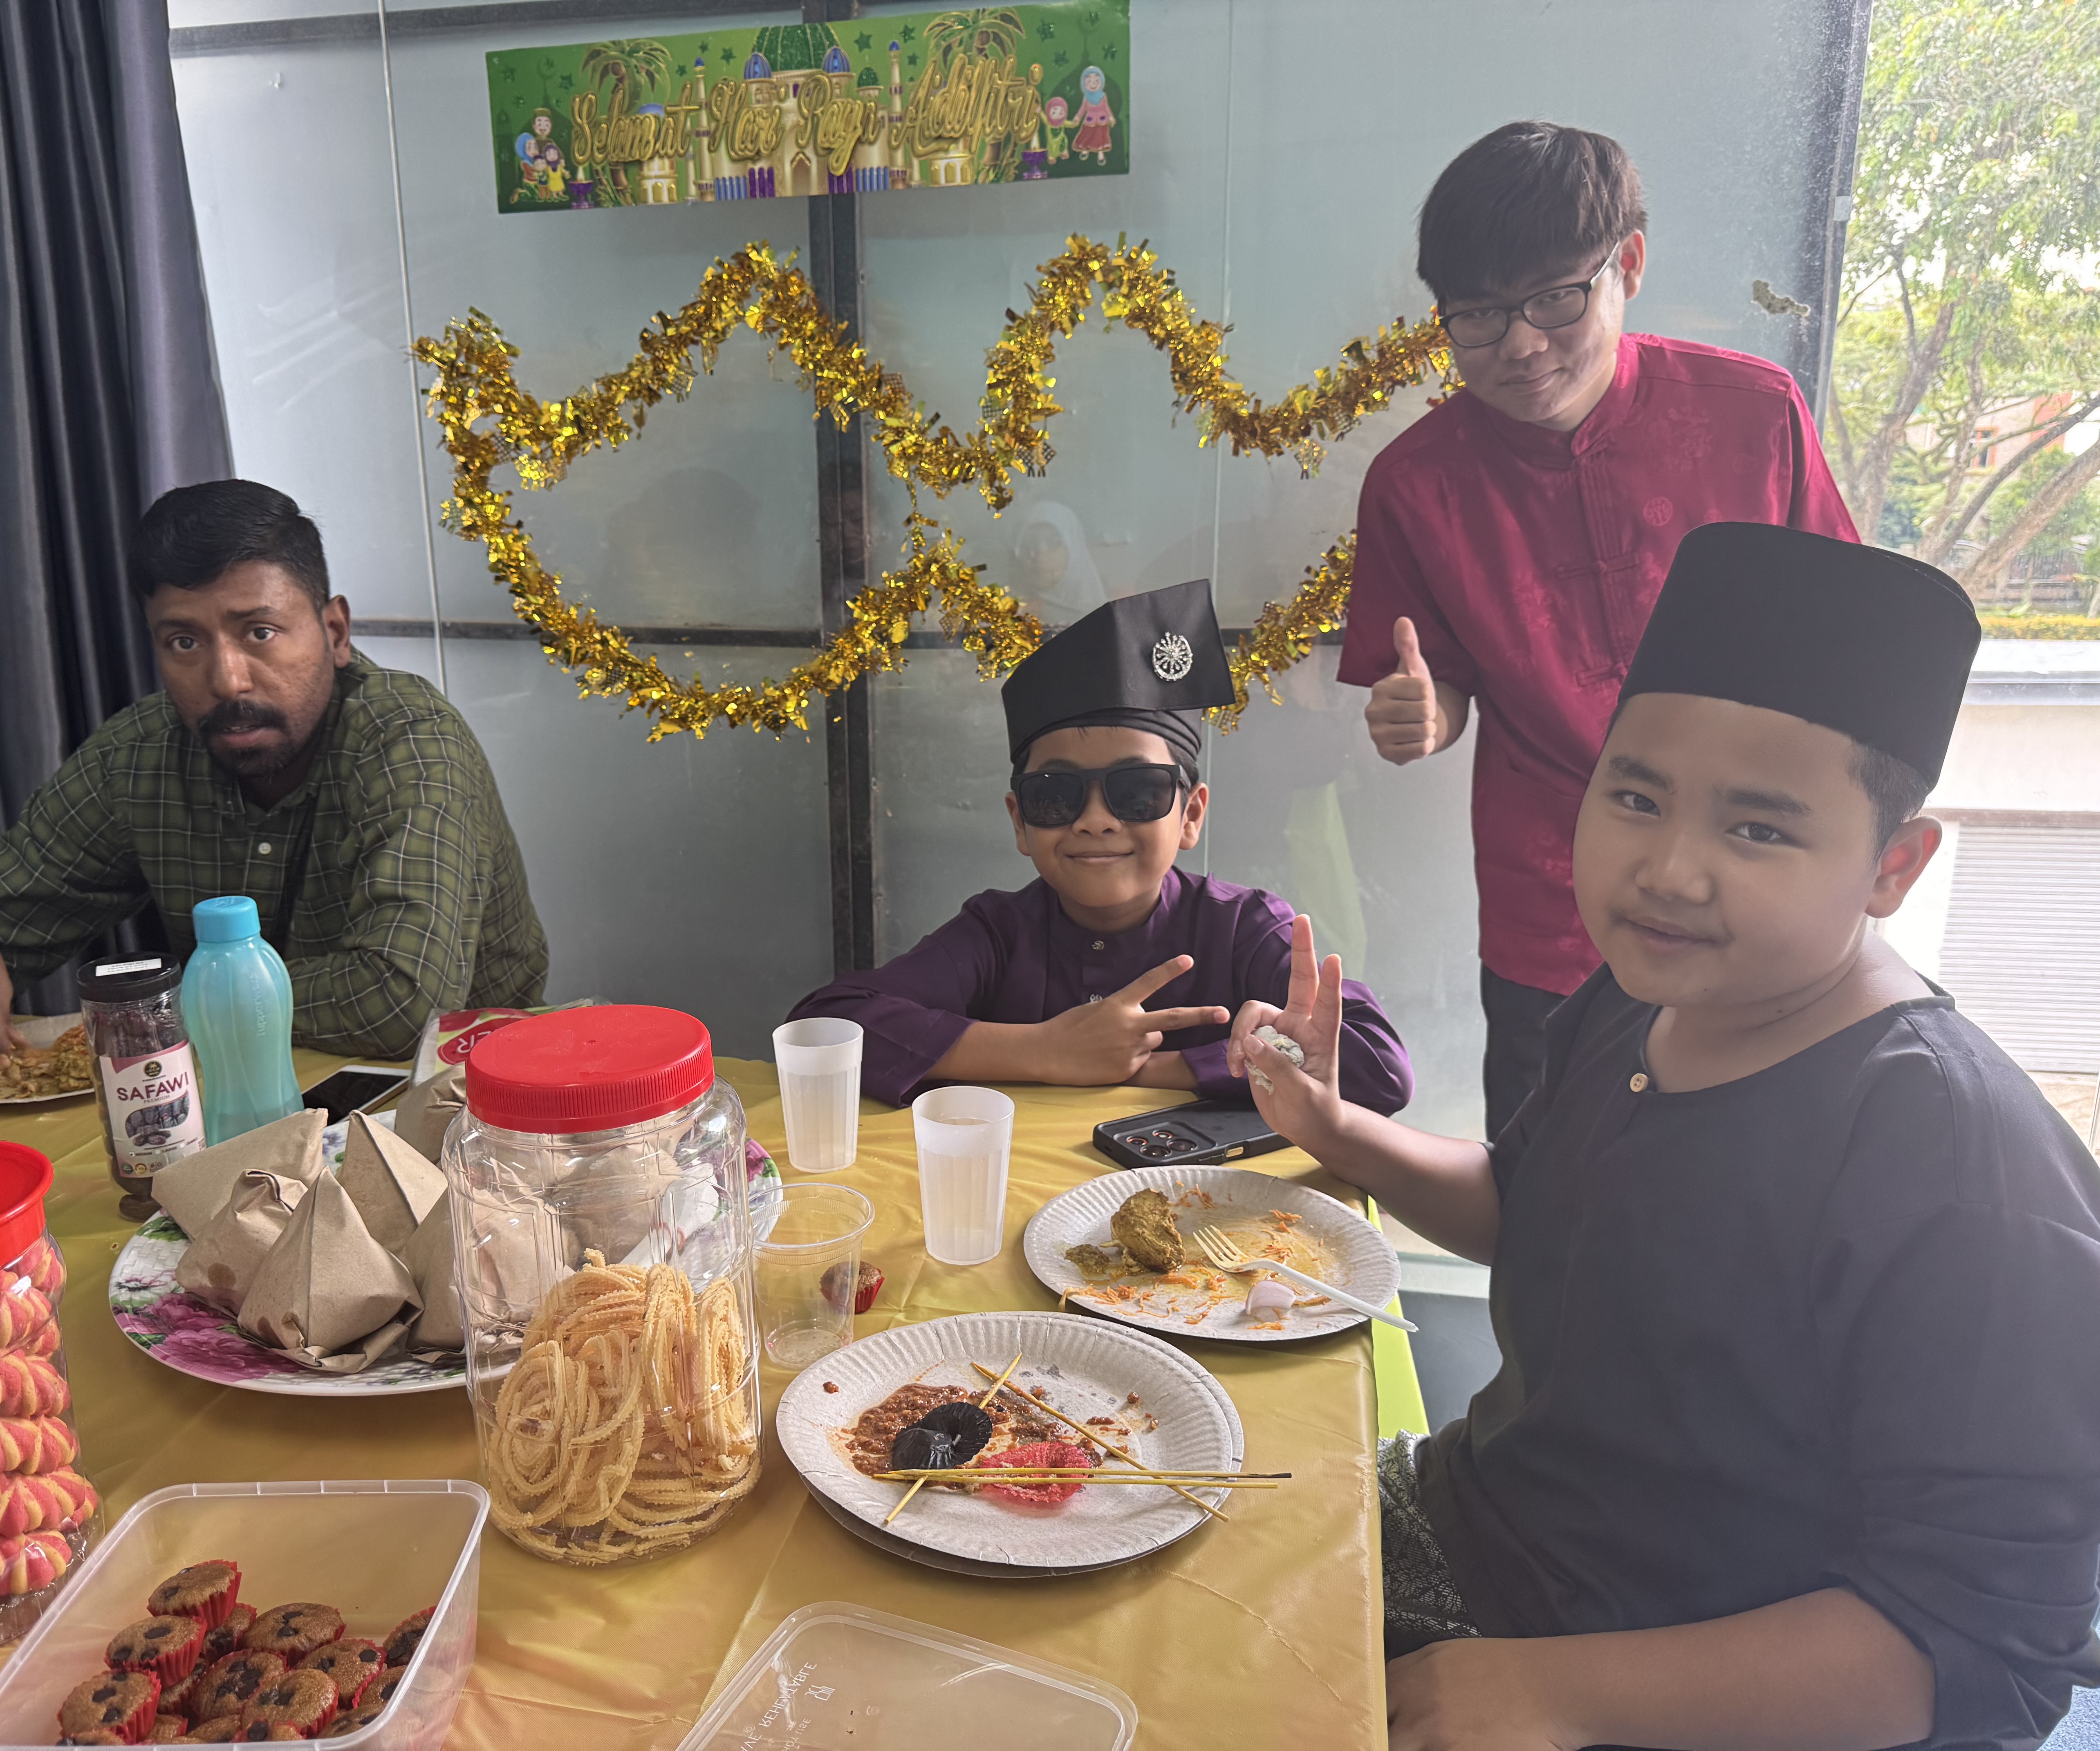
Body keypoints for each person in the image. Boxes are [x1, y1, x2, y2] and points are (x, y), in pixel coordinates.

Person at [1237, 524, 2100, 1751]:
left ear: (1893, 866)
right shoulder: (1643, 998)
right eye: (1636, 797)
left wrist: (1552, 1693)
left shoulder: (1960, 1167)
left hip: (1678, 1685)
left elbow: (1982, 1651)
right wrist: (1339, 1129)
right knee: (1148, 1542)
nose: (1669, 871)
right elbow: (1535, 1205)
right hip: (1481, 1523)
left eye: (1759, 829)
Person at [1337, 121, 1859, 1137]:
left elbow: (1839, 636)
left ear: (1629, 264)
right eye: (1478, 316)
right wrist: (1425, 717)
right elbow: (1439, 681)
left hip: (1755, 892)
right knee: (1543, 1177)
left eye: (1554, 299)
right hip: (1555, 900)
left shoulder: (1755, 416)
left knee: (1752, 1174)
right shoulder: (1415, 485)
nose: (1520, 345)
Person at [0, 479, 550, 1068]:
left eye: (260, 632)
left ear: (335, 633)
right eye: (184, 641)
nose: (227, 680)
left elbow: (400, 1000)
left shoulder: (410, 739)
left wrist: (149, 1011)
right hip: (223, 1108)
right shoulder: (140, 753)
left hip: (469, 1111)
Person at [789, 578, 1411, 1113]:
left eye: (1136, 792)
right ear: (1020, 822)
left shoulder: (1245, 930)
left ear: (1191, 815)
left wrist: (1161, 1068)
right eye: (1056, 795)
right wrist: (1044, 1051)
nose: (1095, 821)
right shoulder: (999, 933)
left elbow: (1378, 1063)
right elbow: (823, 1026)